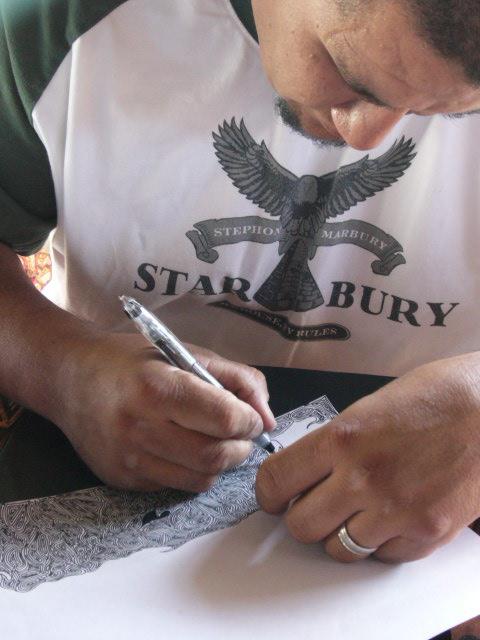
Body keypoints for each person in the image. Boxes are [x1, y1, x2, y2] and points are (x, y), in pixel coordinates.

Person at [0, 0, 479, 583]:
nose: (366, 139)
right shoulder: (61, 26)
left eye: (454, 110)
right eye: (348, 74)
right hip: (108, 497)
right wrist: (60, 368)